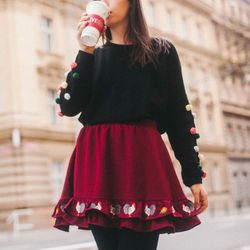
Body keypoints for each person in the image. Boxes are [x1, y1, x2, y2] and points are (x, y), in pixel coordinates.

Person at [51, 0, 208, 249]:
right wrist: (84, 50)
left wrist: (193, 176)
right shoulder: (93, 56)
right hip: (98, 162)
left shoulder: (161, 51)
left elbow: (179, 115)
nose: (104, 3)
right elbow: (68, 106)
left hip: (141, 160)